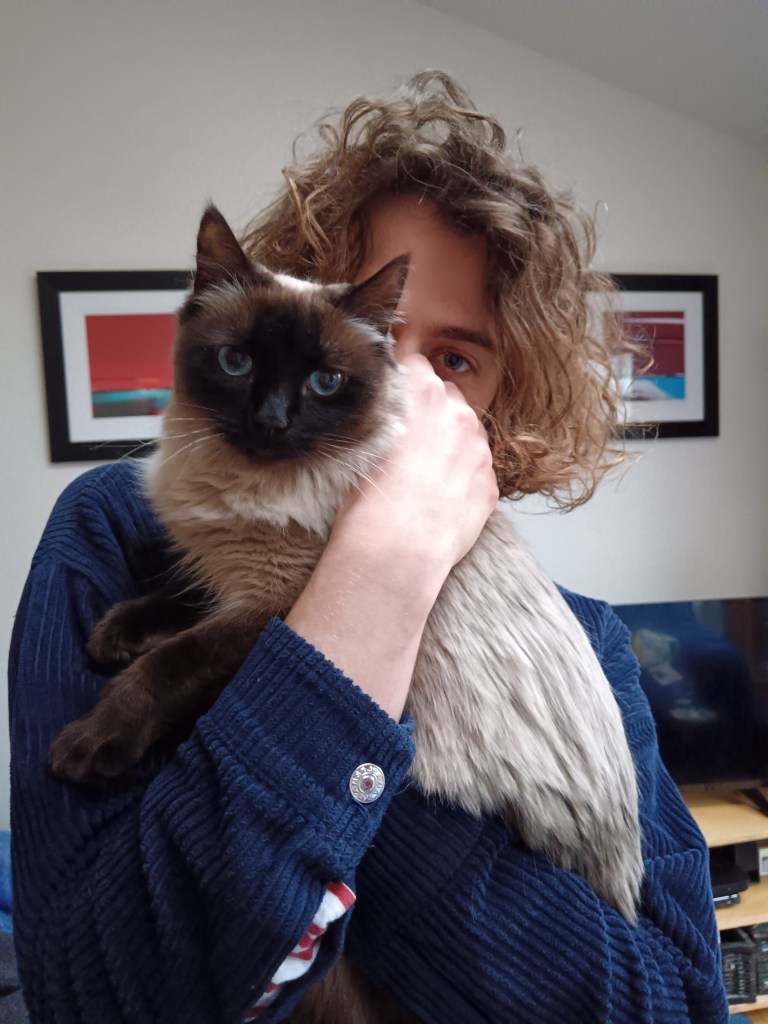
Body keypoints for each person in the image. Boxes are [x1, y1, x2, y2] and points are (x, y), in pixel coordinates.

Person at [9, 71, 728, 1023]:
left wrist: (381, 594)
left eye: (457, 360)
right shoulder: (116, 529)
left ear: (503, 403)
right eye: (377, 346)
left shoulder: (585, 645)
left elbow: (675, 1005)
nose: (414, 393)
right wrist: (363, 596)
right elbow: (90, 995)